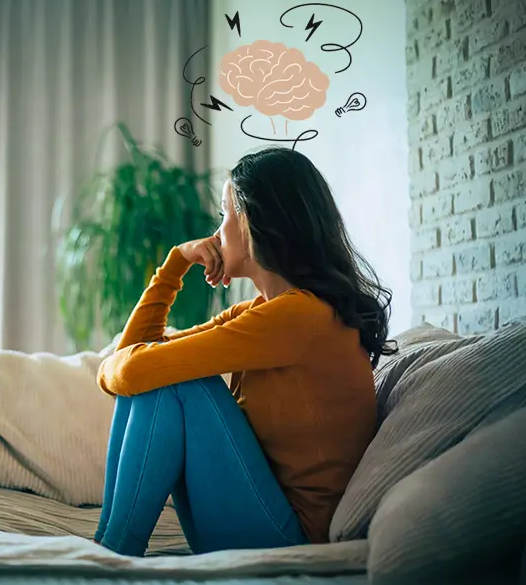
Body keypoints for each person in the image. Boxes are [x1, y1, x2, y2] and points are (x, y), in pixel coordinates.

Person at [93, 146, 395, 557]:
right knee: (165, 374)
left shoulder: (298, 317)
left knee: (178, 382)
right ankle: (109, 547)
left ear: (253, 222)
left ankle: (112, 553)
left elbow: (130, 370)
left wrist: (113, 367)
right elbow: (135, 359)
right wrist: (175, 263)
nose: (216, 232)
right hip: (258, 517)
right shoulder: (264, 313)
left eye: (224, 214)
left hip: (292, 538)